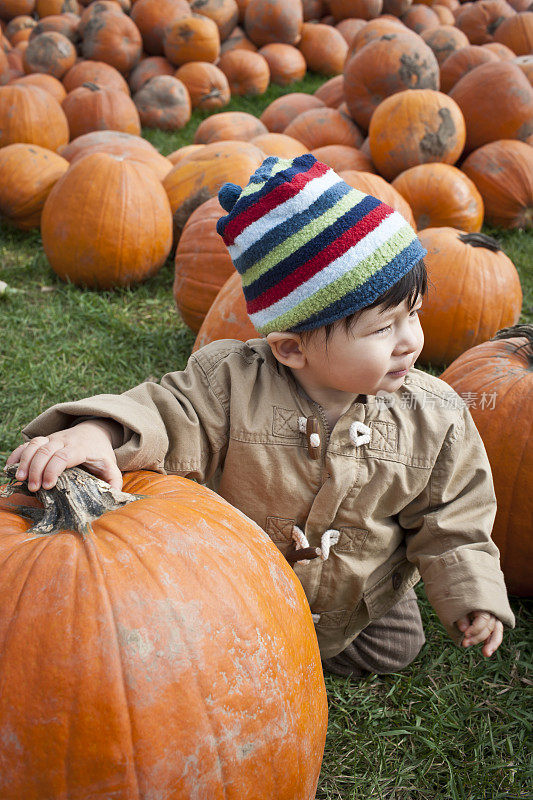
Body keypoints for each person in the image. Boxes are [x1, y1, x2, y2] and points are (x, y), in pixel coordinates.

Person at [7, 154, 515, 678]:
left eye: (414, 314)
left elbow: (453, 514)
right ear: (292, 348)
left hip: (356, 597)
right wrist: (97, 431)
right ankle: (255, 642)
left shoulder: (437, 415)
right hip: (239, 585)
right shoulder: (231, 383)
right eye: (383, 329)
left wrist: (471, 592)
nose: (411, 341)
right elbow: (167, 410)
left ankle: (305, 644)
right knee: (203, 640)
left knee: (396, 648)